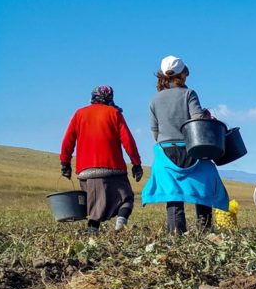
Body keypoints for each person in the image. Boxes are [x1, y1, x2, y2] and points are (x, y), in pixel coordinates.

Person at [141, 55, 229, 233]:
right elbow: (197, 119)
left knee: (174, 195)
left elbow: (155, 131)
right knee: (203, 187)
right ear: (183, 74)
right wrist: (206, 115)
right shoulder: (189, 94)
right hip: (190, 150)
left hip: (166, 153)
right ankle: (205, 231)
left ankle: (176, 234)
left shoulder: (154, 100)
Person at [59, 86, 143, 234]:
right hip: (113, 169)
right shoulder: (115, 113)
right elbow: (128, 141)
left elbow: (68, 141)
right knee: (127, 199)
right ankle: (120, 224)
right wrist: (136, 163)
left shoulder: (79, 114)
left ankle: (93, 236)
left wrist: (65, 163)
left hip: (86, 171)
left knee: (94, 209)